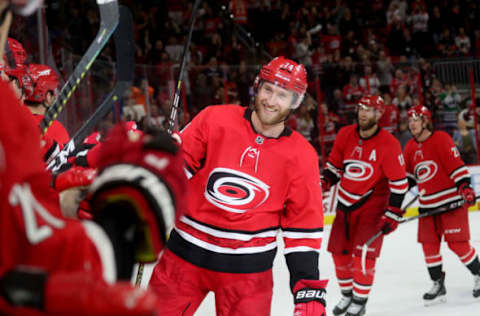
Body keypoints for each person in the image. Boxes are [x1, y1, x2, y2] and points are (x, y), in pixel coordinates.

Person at [149, 56, 327, 316]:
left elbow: (302, 227)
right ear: (257, 86)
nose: (271, 100)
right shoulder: (214, 119)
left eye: (282, 95)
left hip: (248, 276)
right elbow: (178, 170)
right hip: (183, 258)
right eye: (268, 89)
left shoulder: (303, 156)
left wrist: (306, 286)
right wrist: (161, 162)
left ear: (295, 102)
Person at [322, 95, 408, 316]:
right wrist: (324, 183)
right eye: (361, 108)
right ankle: (347, 295)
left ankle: (360, 300)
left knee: (363, 256)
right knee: (339, 254)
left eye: (369, 110)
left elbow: (399, 185)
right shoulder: (344, 134)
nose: (363, 113)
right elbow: (334, 168)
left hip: (373, 205)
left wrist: (393, 213)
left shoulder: (389, 143)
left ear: (379, 114)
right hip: (345, 203)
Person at [403, 105, 480, 305]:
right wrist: (395, 198)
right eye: (410, 120)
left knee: (458, 244)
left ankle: (479, 274)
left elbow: (456, 166)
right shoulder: (410, 147)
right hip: (427, 205)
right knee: (429, 246)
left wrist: (465, 188)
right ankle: (438, 283)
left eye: (416, 120)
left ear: (426, 121)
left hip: (451, 203)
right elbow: (411, 177)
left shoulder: (441, 139)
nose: (412, 124)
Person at [24, 63, 70, 145]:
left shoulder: (11, 121)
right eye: (54, 92)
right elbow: (68, 157)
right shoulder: (55, 128)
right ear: (48, 96)